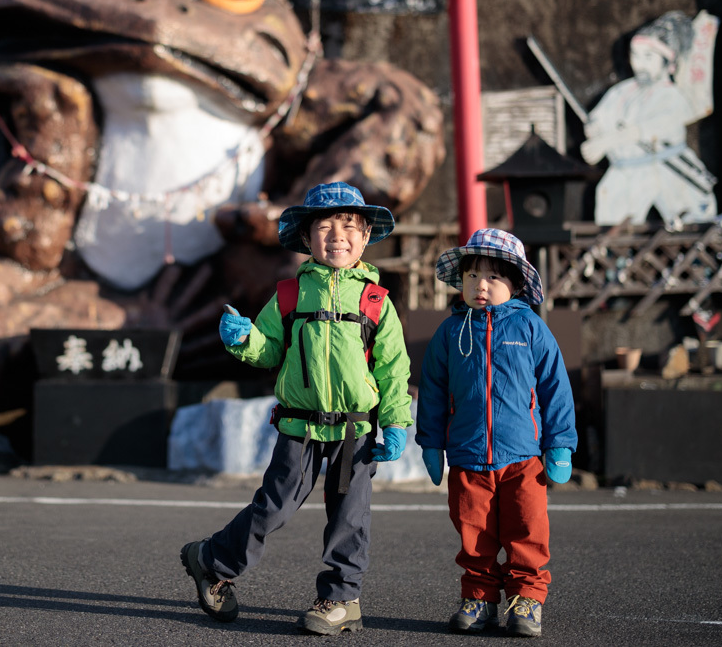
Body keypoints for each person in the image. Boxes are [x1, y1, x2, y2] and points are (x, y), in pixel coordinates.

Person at [180, 181, 413, 635]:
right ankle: (212, 560)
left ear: (365, 237)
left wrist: (397, 422)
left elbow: (393, 370)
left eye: (349, 226)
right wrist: (245, 339)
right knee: (273, 508)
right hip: (299, 427)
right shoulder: (288, 295)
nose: (337, 236)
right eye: (324, 226)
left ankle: (341, 599)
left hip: (355, 431)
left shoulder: (377, 302)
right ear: (306, 238)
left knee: (350, 517)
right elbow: (269, 351)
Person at [415, 228, 576, 638]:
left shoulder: (531, 328)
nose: (480, 285)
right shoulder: (450, 333)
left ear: (516, 283)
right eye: (471, 276)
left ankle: (527, 600)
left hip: (523, 457)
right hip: (467, 457)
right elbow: (432, 390)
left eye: (492, 277)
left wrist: (559, 445)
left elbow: (555, 387)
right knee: (474, 535)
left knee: (528, 531)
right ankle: (480, 598)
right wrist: (431, 444)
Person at [580, 11, 717, 226]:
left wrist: (606, 142)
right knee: (613, 226)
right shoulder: (622, 91)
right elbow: (600, 117)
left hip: (670, 168)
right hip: (625, 171)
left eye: (648, 57)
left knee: (692, 224)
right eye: (635, 55)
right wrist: (595, 129)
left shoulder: (672, 96)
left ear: (668, 63)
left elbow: (647, 129)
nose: (639, 64)